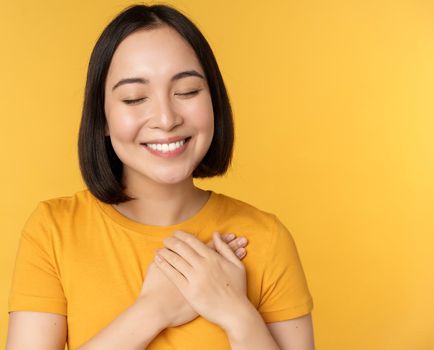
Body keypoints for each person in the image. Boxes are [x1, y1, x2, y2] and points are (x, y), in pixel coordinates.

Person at [5, 4, 314, 350]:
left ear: (214, 100)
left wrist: (235, 313)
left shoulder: (266, 239)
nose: (166, 119)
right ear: (103, 118)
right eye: (135, 98)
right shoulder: (53, 231)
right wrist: (154, 310)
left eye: (187, 92)